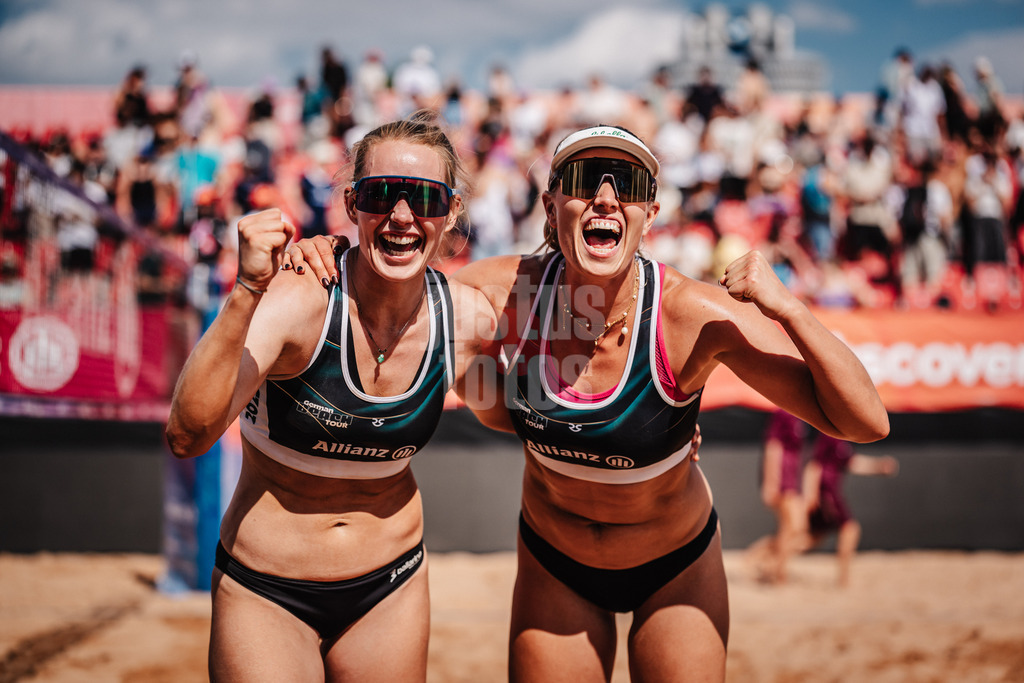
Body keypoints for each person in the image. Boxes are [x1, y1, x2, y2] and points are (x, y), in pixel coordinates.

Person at [287, 124, 889, 681]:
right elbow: (385, 278)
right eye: (582, 181)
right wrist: (327, 252)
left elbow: (864, 422)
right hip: (556, 565)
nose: (604, 198)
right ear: (552, 206)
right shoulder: (505, 294)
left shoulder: (686, 317)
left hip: (674, 566)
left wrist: (788, 308)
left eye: (626, 184)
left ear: (648, 215)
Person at [165, 115, 500, 681]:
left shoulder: (465, 322)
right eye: (380, 194)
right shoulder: (301, 301)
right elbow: (187, 434)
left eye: (423, 197)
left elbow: (529, 418)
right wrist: (248, 290)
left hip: (389, 587)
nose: (400, 216)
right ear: (352, 202)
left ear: (452, 213)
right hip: (264, 590)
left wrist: (669, 421)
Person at [802, 434, 899, 587]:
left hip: (828, 490)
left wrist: (878, 467)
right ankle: (844, 579)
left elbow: (851, 462)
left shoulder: (842, 438)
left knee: (811, 538)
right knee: (850, 529)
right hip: (825, 490)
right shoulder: (831, 434)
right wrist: (810, 494)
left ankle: (765, 557)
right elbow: (814, 465)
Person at [746, 409, 809, 584]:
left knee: (794, 529)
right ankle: (777, 571)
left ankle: (762, 558)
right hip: (783, 479)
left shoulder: (801, 413)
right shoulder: (784, 413)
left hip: (792, 479)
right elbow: (773, 447)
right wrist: (770, 483)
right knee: (793, 527)